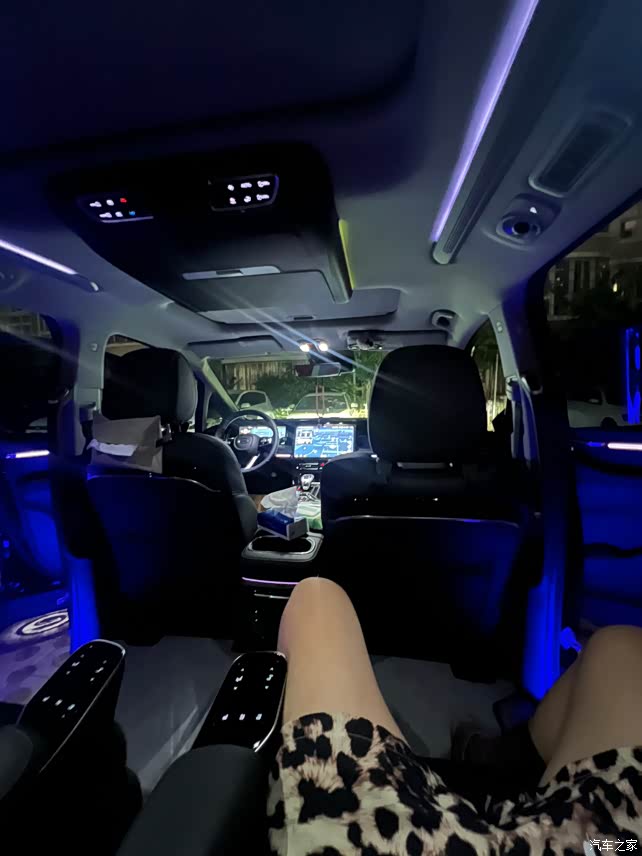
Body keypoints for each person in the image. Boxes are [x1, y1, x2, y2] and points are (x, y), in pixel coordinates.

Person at [267, 577, 642, 855]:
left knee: (317, 600)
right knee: (622, 646)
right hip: (596, 846)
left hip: (388, 843)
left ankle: (496, 771)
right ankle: (500, 763)